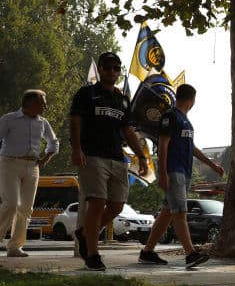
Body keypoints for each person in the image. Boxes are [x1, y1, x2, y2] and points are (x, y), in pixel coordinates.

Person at [69, 52, 149, 271]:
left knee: (117, 205)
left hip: (117, 157)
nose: (113, 71)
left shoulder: (122, 99)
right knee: (96, 202)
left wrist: (141, 156)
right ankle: (93, 254)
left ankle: (85, 233)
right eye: (108, 67)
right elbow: (75, 122)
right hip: (92, 155)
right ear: (101, 69)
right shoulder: (86, 94)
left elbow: (129, 131)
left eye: (117, 68)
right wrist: (76, 149)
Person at [138, 84, 224, 268]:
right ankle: (190, 253)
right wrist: (163, 173)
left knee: (168, 212)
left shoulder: (186, 121)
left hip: (185, 171)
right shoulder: (170, 117)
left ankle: (147, 252)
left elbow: (192, 148)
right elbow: (162, 145)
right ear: (192, 100)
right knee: (180, 211)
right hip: (173, 170)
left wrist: (212, 164)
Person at [0, 90, 59, 257]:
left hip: (32, 166)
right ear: (30, 104)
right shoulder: (9, 119)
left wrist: (46, 158)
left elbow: (53, 142)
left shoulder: (43, 122)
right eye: (42, 103)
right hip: (9, 163)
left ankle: (14, 247)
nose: (46, 106)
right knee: (10, 204)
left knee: (25, 208)